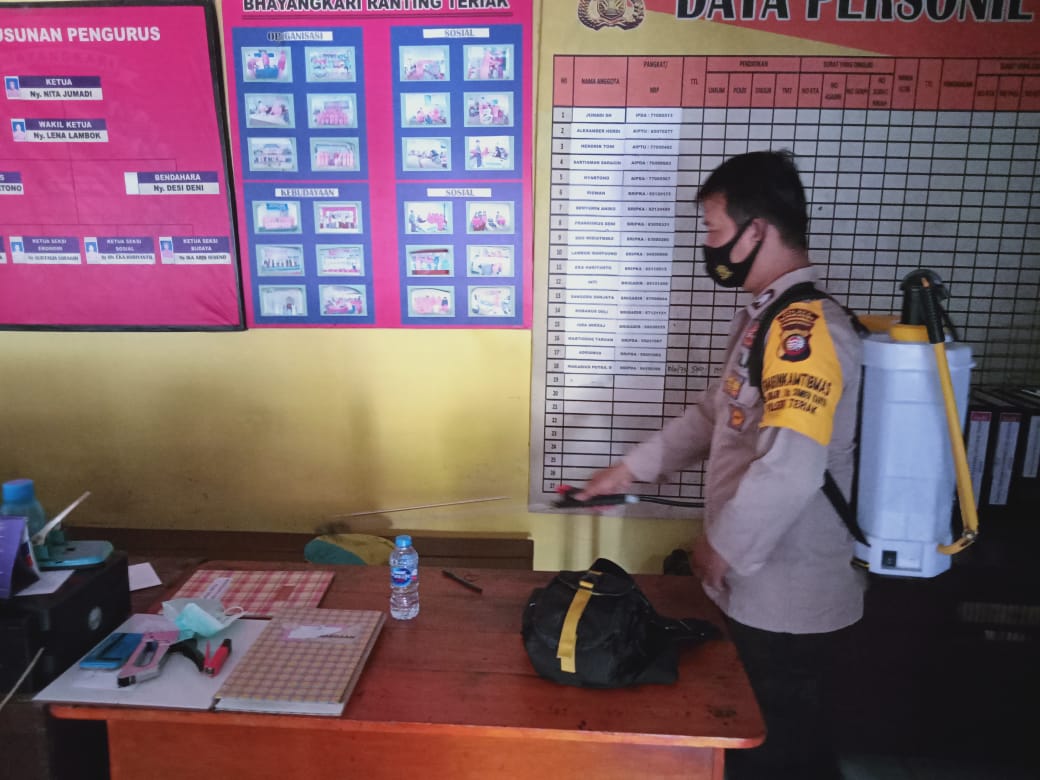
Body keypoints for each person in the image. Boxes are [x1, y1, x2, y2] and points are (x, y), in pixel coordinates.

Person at [577, 150, 865, 780]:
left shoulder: (804, 334)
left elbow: (792, 467)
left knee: (780, 756)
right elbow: (714, 416)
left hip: (788, 599)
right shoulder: (766, 322)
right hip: (759, 590)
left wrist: (722, 546)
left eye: (713, 230)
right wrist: (626, 472)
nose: (708, 247)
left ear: (756, 229)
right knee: (766, 747)